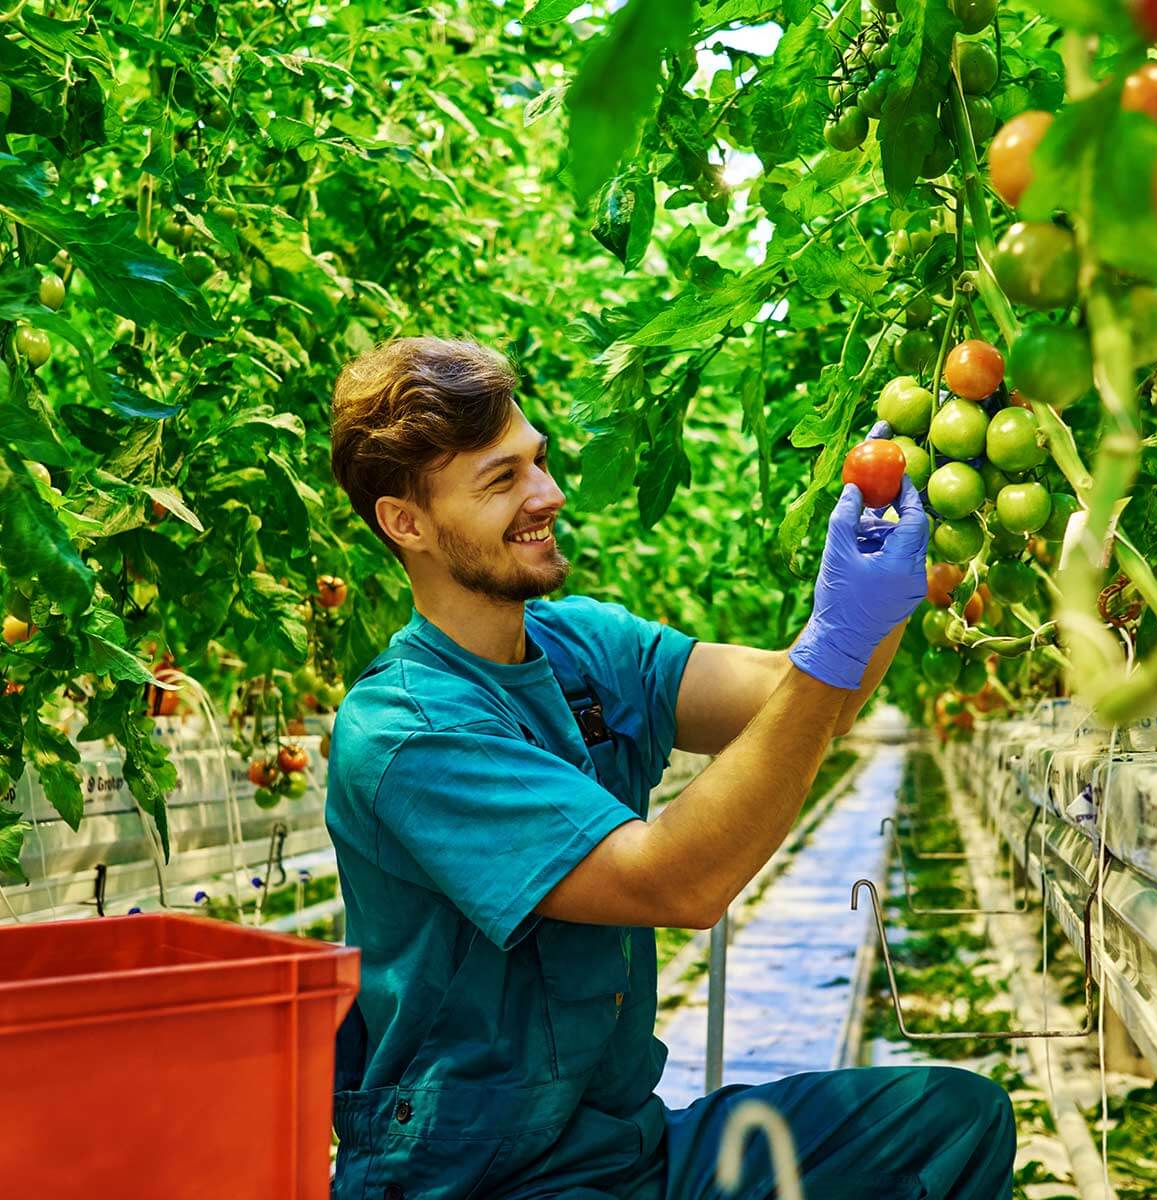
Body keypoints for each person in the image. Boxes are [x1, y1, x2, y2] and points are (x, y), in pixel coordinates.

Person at [324, 337, 1016, 1200]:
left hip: (622, 1150)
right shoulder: (406, 729)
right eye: (501, 481)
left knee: (950, 1121)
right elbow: (673, 885)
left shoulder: (581, 644)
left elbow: (805, 702)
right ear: (406, 523)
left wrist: (885, 581)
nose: (548, 494)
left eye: (536, 461)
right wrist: (841, 638)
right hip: (473, 1178)